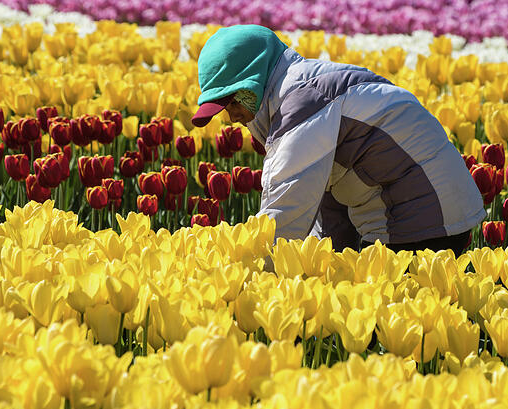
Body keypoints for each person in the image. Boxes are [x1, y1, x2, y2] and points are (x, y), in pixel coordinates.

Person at [191, 25, 486, 254]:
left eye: (232, 103)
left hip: (417, 221)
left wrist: (253, 281)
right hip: (434, 214)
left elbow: (284, 213)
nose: (231, 118)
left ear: (254, 82)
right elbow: (332, 195)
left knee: (385, 324)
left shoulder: (304, 99)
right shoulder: (304, 89)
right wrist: (324, 260)